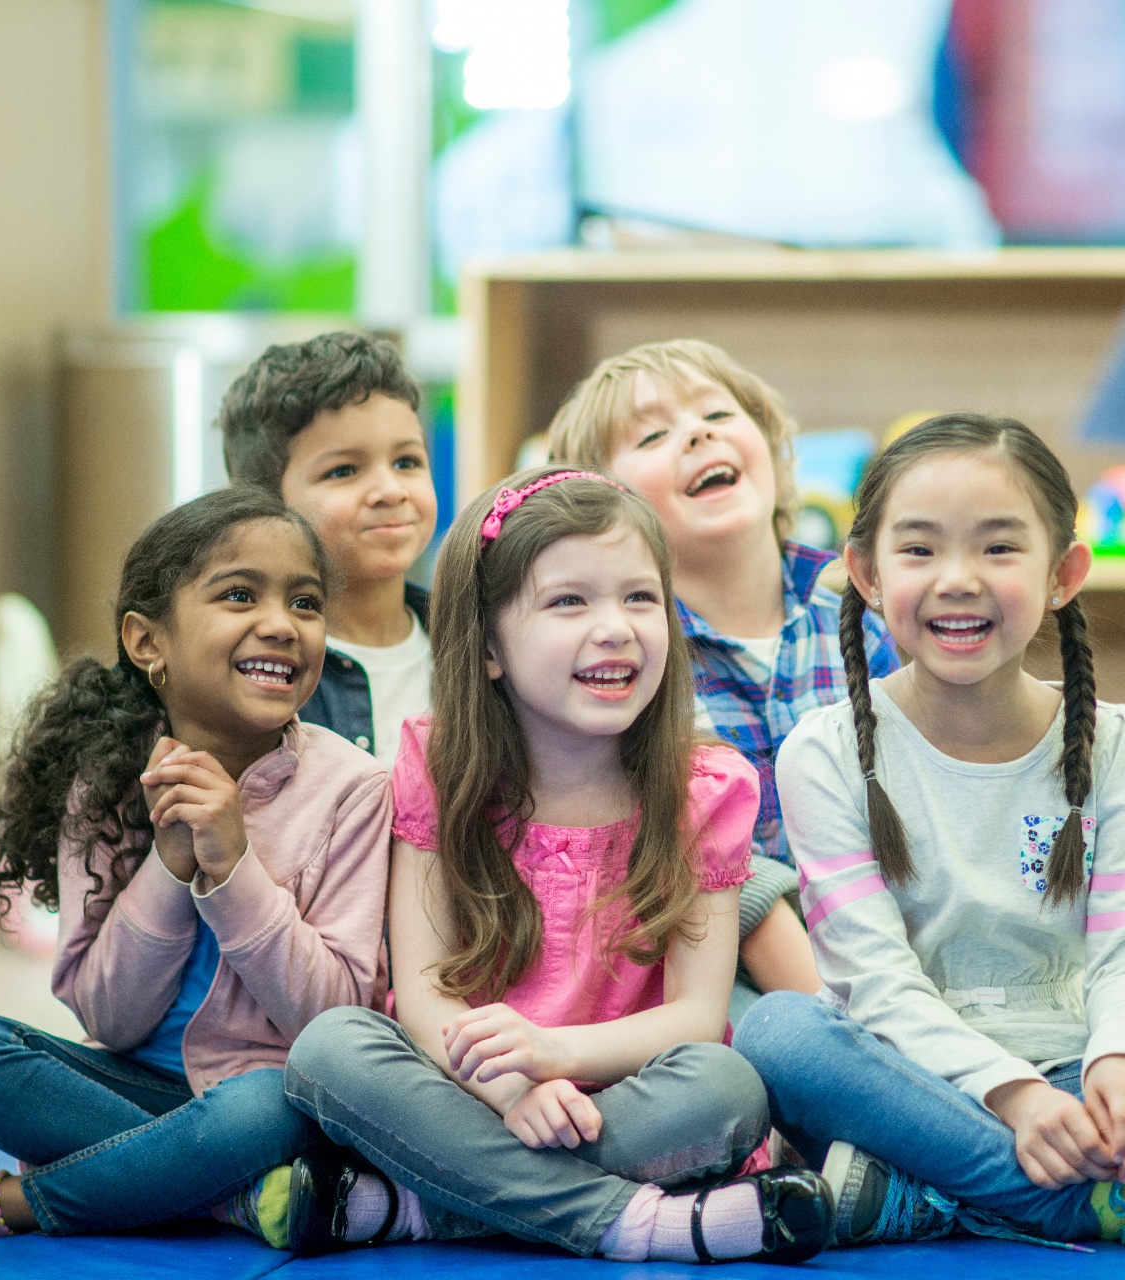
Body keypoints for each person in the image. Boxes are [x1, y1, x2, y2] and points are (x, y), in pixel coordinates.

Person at [276, 468, 834, 1263]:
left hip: (631, 1104)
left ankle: (437, 1207)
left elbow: (695, 1019)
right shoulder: (435, 763)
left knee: (728, 1088)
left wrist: (556, 1056)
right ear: (492, 647)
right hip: (474, 1092)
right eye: (569, 601)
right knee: (329, 1050)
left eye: (640, 598)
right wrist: (513, 1089)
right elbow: (427, 994)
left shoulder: (707, 790)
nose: (615, 628)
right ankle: (633, 1223)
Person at [735, 415, 1125, 1251]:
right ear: (864, 573)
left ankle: (938, 1195)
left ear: (1064, 573)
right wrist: (1013, 1096)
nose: (958, 580)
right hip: (910, 1086)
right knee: (779, 1035)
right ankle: (1110, 1202)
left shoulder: (1112, 741)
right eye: (920, 550)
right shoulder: (822, 754)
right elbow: (875, 985)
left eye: (1000, 549)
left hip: (1075, 1079)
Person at [0, 488, 391, 1242]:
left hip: (270, 1102)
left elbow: (333, 1024)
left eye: (305, 603)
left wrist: (232, 872)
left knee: (265, 1105)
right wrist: (168, 864)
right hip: (135, 1092)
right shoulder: (105, 780)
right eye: (237, 594)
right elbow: (109, 1017)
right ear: (146, 641)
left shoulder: (355, 789)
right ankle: (225, 1197)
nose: (281, 624)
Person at [547, 339, 901, 1008]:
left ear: (770, 445)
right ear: (601, 509)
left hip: (881, 942)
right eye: (653, 434)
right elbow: (706, 877)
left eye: (716, 412)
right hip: (715, 963)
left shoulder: (862, 627)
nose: (698, 432)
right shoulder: (627, 665)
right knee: (771, 1045)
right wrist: (852, 1016)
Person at [221, 331, 439, 765]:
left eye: (406, 462)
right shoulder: (258, 666)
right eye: (344, 471)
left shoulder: (476, 643)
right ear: (266, 503)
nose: (390, 490)